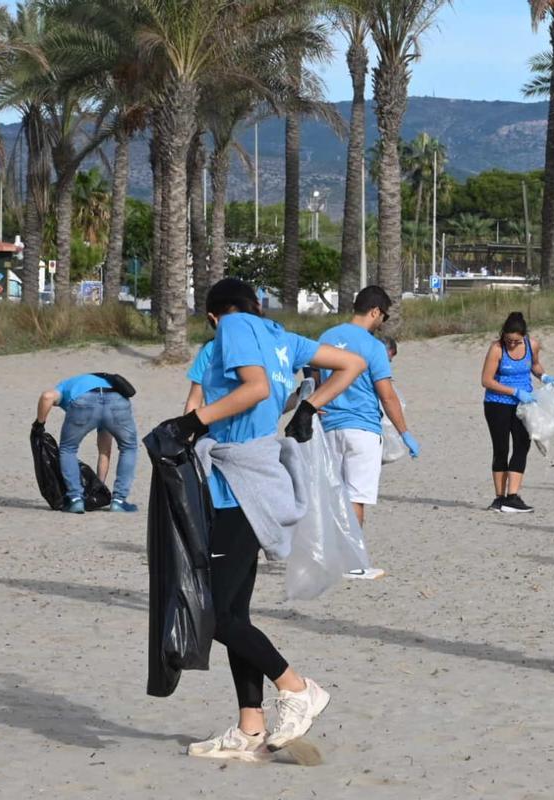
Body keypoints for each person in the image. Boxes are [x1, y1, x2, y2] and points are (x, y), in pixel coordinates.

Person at [159, 278, 366, 760]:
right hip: (259, 480)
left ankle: (297, 688)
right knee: (234, 613)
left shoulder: (229, 330)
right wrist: (310, 406)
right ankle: (250, 728)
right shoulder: (281, 339)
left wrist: (192, 425)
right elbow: (351, 364)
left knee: (212, 613)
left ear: (213, 315)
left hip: (237, 488)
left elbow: (233, 396)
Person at [318, 286, 419, 581]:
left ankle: (331, 557)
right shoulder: (372, 346)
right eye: (383, 317)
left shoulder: (326, 337)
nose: (381, 323)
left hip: (328, 425)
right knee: (355, 497)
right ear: (375, 311)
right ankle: (352, 562)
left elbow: (310, 376)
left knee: (333, 494)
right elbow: (386, 395)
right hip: (362, 428)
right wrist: (405, 433)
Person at [480, 311, 554, 513]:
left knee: (522, 446)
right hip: (498, 403)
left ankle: (512, 497)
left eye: (516, 341)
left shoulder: (532, 345)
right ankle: (499, 497)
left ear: (524, 336)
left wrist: (545, 376)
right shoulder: (496, 349)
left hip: (524, 405)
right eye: (508, 340)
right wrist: (514, 391)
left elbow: (535, 365)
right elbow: (486, 380)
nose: (512, 344)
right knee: (501, 448)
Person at [33, 373, 139, 513]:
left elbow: (47, 396)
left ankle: (75, 500)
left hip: (84, 402)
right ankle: (118, 501)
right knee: (128, 447)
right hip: (117, 402)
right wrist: (99, 487)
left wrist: (39, 425)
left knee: (68, 448)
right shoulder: (104, 384)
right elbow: (104, 452)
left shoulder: (64, 386)